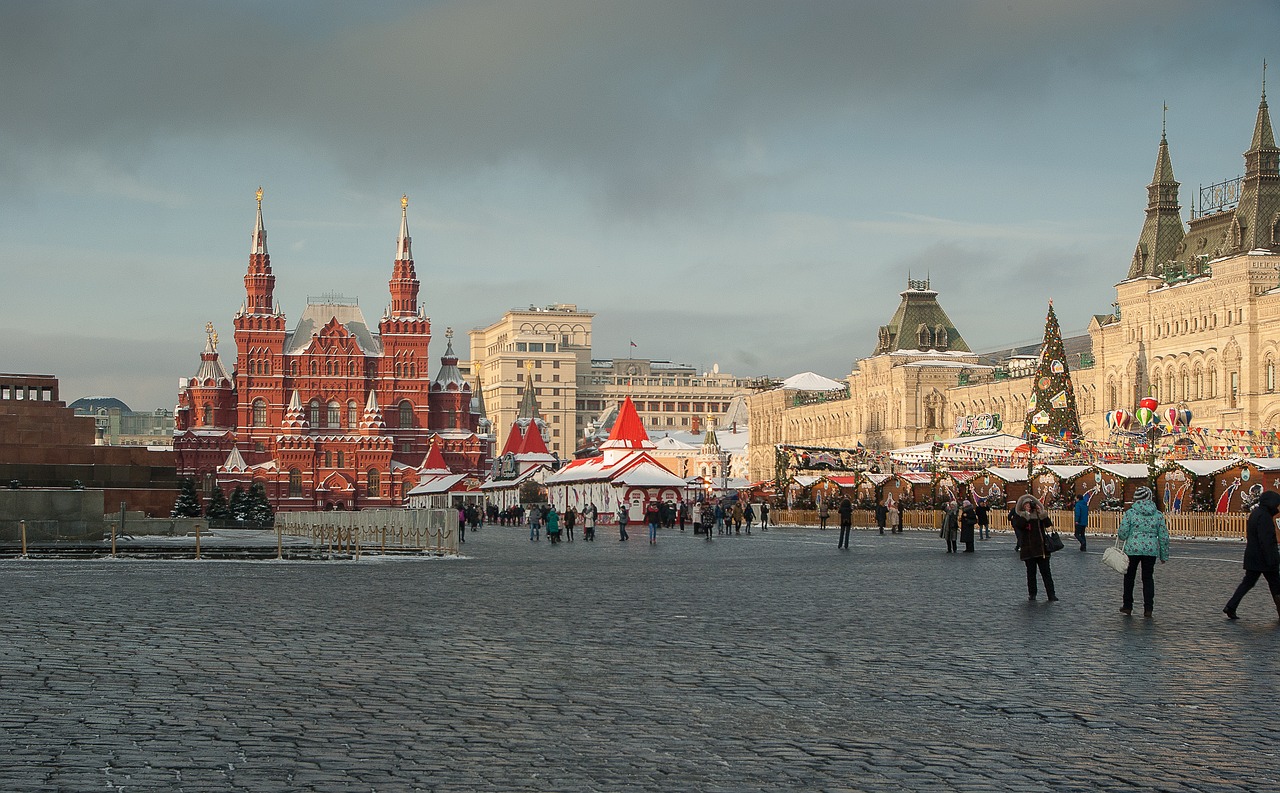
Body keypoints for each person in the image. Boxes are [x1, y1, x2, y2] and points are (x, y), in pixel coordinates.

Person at [1223, 491, 1280, 620]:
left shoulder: (1256, 514)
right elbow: (1266, 540)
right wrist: (1272, 559)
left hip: (1253, 557)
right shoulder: (1264, 517)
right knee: (1276, 585)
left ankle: (1231, 606)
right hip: (1265, 559)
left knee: (1247, 583)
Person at [1117, 486, 1169, 618]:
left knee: (1129, 577)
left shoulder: (1130, 513)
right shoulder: (1158, 514)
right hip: (1150, 551)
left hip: (1132, 550)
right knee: (1147, 578)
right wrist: (1164, 555)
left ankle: (1128, 606)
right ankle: (1148, 608)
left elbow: (1122, 533)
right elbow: (1163, 536)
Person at [1010, 494, 1057, 601]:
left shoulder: (1039, 515)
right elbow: (1018, 525)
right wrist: (1026, 515)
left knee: (1046, 573)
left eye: (1030, 504)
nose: (1029, 506)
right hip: (1028, 550)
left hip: (1042, 549)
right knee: (1031, 573)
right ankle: (1032, 594)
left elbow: (1048, 524)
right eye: (1026, 505)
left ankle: (1051, 594)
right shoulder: (1020, 516)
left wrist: (1042, 513)